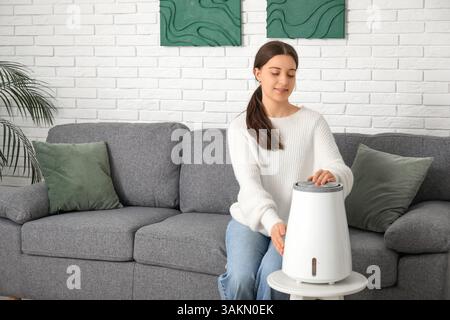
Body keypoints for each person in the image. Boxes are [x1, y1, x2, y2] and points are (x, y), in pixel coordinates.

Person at [217, 40, 354, 300]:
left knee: (274, 277)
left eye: (291, 74)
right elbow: (249, 185)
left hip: (299, 225)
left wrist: (333, 175)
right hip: (252, 220)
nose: (284, 81)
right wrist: (272, 222)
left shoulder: (313, 121)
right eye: (275, 72)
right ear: (257, 73)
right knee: (240, 278)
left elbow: (341, 169)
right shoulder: (241, 127)